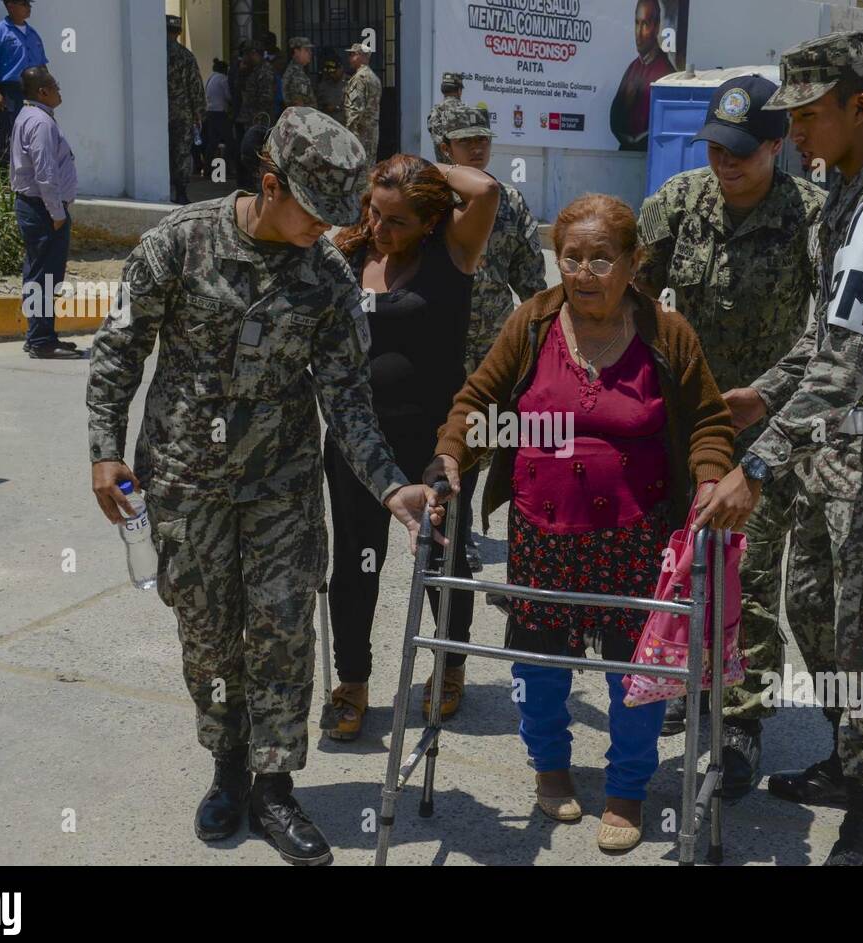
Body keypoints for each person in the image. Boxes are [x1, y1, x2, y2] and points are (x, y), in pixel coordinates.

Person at [87, 107, 444, 867]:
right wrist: (102, 450)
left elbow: (347, 400)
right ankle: (226, 768)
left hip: (281, 484)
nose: (325, 229)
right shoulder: (179, 243)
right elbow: (120, 348)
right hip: (186, 481)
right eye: (312, 212)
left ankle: (275, 785)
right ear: (270, 182)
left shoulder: (327, 277)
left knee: (282, 631)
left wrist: (390, 487)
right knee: (210, 635)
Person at [695, 31, 863, 865]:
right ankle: (850, 756)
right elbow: (823, 335)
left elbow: (842, 371)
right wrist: (762, 392)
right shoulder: (845, 185)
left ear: (860, 107)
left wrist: (756, 465)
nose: (794, 132)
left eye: (808, 116)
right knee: (812, 607)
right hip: (833, 453)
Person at [426, 193, 734, 853]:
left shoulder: (667, 331)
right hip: (542, 530)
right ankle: (551, 767)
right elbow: (478, 396)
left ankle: (627, 787)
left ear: (633, 263)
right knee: (540, 662)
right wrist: (452, 453)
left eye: (601, 257)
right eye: (571, 257)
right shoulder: (531, 323)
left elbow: (708, 419)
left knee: (635, 670)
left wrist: (711, 477)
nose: (585, 271)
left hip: (636, 533)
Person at [636, 74, 824, 796]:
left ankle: (741, 717)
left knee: (743, 569)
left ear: (778, 145)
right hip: (677, 419)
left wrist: (769, 393)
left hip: (764, 427)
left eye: (742, 150)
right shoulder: (680, 202)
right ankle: (683, 680)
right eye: (716, 146)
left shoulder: (811, 214)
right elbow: (624, 280)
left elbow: (831, 333)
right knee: (673, 558)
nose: (725, 161)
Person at [321, 154, 499, 741]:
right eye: (374, 212)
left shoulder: (451, 256)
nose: (380, 228)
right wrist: (387, 181)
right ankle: (352, 681)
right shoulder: (346, 255)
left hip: (437, 442)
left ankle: (448, 668)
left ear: (429, 220)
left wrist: (423, 169)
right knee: (354, 562)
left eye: (397, 220)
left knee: (443, 559)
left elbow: (487, 190)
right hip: (355, 441)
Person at [429, 99, 547, 572]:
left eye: (484, 138)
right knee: (436, 436)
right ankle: (438, 526)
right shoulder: (426, 201)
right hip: (435, 341)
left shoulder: (509, 201)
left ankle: (457, 532)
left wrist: (545, 335)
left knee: (476, 437)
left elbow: (532, 281)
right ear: (444, 147)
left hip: (489, 349)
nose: (478, 147)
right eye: (466, 140)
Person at [10, 66, 80, 359]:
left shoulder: (30, 116)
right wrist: (57, 213)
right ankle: (41, 341)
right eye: (55, 86)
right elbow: (45, 172)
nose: (59, 91)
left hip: (37, 207)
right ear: (42, 92)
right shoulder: (40, 123)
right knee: (44, 277)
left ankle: (41, 336)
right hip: (43, 209)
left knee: (40, 275)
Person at [0, 0, 48, 174]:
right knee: (9, 135)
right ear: (10, 5)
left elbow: (42, 66)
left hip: (33, 93)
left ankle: (26, 182)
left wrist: (47, 90)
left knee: (33, 135)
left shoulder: (33, 34)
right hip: (11, 91)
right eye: (24, 3)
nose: (28, 7)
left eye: (29, 4)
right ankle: (0, 182)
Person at [609, 0, 674, 152]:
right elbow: (615, 118)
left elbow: (665, 123)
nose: (639, 32)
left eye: (645, 24)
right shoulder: (633, 68)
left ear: (657, 27)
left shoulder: (666, 73)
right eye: (637, 23)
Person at [166, 15, 205, 205]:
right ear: (179, 32)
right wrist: (198, 113)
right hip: (182, 114)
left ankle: (162, 189)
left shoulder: (154, 54)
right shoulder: (186, 56)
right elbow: (195, 87)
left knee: (162, 151)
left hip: (158, 113)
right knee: (181, 152)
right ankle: (180, 192)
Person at [236, 44, 276, 188]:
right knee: (245, 151)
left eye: (247, 55)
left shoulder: (264, 71)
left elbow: (266, 97)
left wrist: (258, 119)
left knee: (255, 153)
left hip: (259, 119)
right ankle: (247, 183)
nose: (245, 58)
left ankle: (255, 184)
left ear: (254, 53)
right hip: (248, 118)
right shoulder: (252, 70)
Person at [343, 43, 381, 177]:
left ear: (360, 56)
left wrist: (348, 133)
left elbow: (356, 110)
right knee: (368, 168)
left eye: (352, 54)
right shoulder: (373, 77)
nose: (349, 58)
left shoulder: (360, 78)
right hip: (371, 132)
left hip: (360, 133)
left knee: (358, 172)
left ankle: (361, 197)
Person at [202, 59, 234, 178]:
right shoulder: (223, 79)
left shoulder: (211, 77)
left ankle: (207, 170)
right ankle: (224, 171)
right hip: (220, 113)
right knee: (230, 142)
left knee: (212, 142)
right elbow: (228, 96)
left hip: (210, 112)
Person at [426, 71, 464, 162]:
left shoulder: (436, 111)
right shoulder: (467, 111)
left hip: (444, 171)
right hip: (464, 171)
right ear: (459, 91)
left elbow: (437, 139)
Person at [282, 37, 316, 109]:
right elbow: (299, 105)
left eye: (310, 50)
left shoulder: (298, 71)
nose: (310, 53)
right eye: (306, 50)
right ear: (296, 52)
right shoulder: (296, 74)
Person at [315, 55, 346, 122]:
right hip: (328, 124)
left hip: (345, 126)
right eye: (330, 73)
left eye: (334, 72)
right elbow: (317, 104)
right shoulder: (324, 85)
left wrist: (337, 108)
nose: (332, 75)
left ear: (341, 68)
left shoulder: (350, 83)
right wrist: (325, 108)